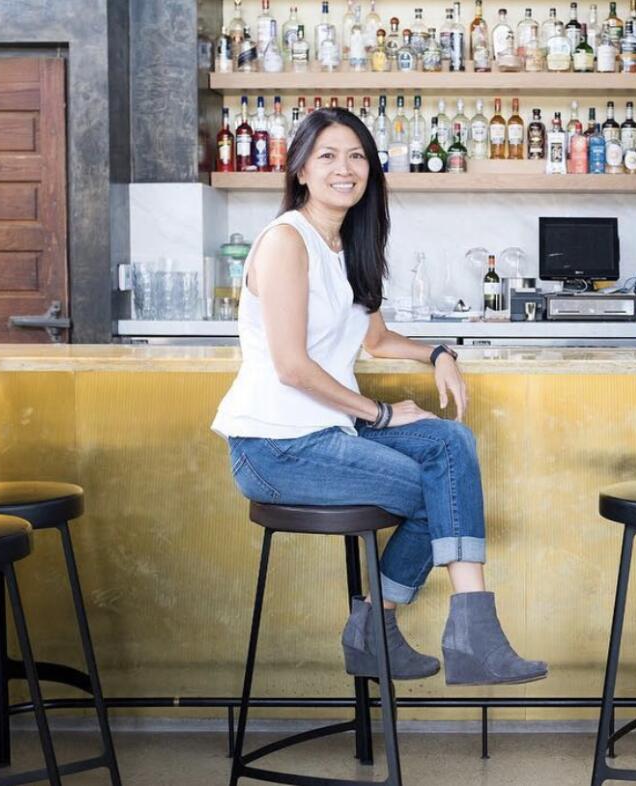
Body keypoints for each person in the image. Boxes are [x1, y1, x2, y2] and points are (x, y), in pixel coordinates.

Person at [212, 107, 546, 686]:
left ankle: (435, 630)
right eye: (328, 156)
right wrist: (382, 413)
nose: (346, 169)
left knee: (450, 441)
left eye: (357, 156)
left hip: (324, 434)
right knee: (433, 486)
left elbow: (379, 338)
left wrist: (439, 353)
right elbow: (292, 367)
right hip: (273, 448)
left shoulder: (344, 246)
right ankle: (422, 633)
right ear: (298, 170)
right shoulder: (286, 242)